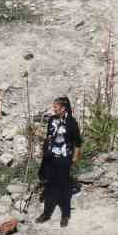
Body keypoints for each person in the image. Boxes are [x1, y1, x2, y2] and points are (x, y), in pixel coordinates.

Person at [37, 96, 83, 227]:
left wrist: (75, 157)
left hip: (64, 158)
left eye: (56, 107)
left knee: (64, 187)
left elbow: (78, 143)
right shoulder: (52, 120)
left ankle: (65, 215)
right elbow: (49, 136)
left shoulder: (71, 123)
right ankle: (46, 213)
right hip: (51, 157)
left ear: (63, 108)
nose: (54, 109)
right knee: (50, 186)